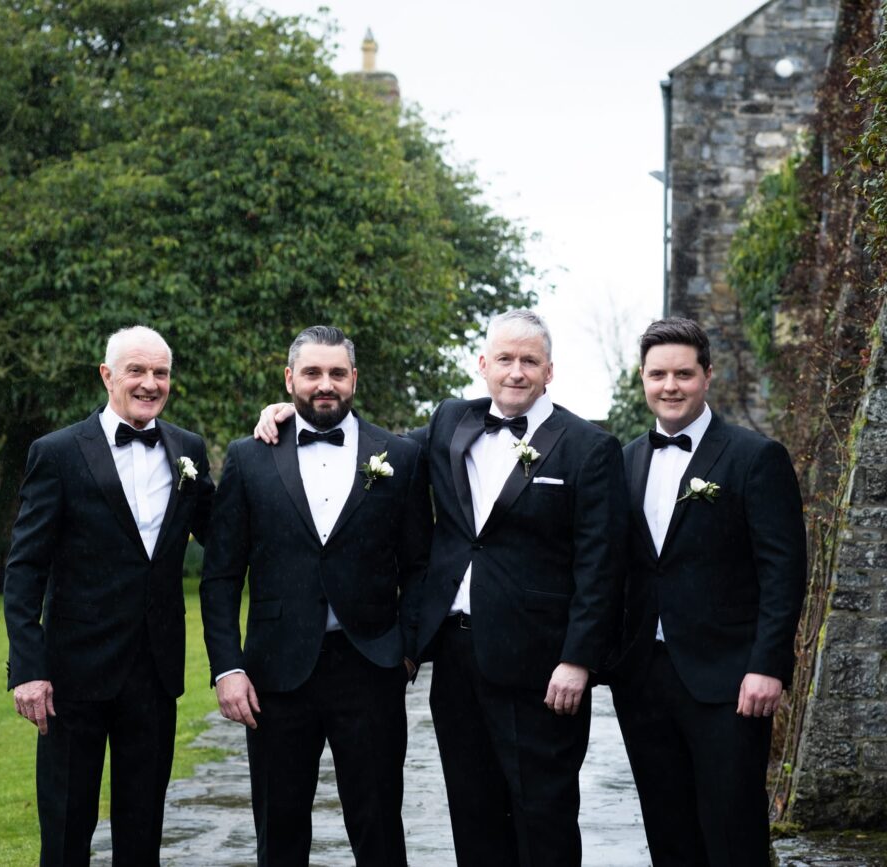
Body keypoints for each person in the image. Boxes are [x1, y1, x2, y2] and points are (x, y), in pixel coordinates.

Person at [254, 309, 628, 867]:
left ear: (550, 371)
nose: (516, 372)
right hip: (456, 660)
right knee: (472, 816)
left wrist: (578, 659)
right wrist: (297, 417)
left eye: (529, 361)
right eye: (504, 359)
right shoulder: (452, 421)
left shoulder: (589, 447)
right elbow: (375, 453)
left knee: (542, 817)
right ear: (483, 365)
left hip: (540, 665)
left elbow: (602, 565)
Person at [202, 325, 431, 867]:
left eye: (336, 373)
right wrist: (227, 668)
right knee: (278, 834)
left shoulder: (399, 455)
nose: (324, 384)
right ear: (289, 380)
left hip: (371, 667)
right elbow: (220, 575)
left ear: (353, 378)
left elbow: (420, 563)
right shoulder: (248, 456)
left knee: (378, 828)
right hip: (275, 675)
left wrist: (407, 647)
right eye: (311, 373)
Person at [4, 325, 215, 866]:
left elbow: (227, 532)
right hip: (72, 676)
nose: (150, 383)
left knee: (143, 829)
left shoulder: (188, 450)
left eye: (161, 373)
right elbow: (25, 568)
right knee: (68, 828)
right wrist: (28, 667)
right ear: (107, 376)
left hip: (155, 668)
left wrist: (279, 422)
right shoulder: (57, 453)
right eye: (137, 371)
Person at [609, 317, 806, 867]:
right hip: (643, 676)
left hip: (729, 680)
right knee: (667, 832)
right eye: (658, 374)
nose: (670, 386)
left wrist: (768, 665)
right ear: (642, 380)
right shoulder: (623, 462)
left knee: (733, 831)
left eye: (683, 374)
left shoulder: (754, 457)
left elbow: (784, 570)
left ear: (708, 376)